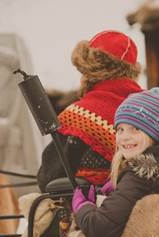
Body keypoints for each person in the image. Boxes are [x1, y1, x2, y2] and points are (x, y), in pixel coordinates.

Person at [72, 88, 159, 237]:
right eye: (120, 129)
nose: (124, 137)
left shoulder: (141, 175)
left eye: (135, 129)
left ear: (156, 131)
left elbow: (99, 228)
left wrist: (82, 206)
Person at [37, 30, 143, 192]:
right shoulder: (150, 109)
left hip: (92, 209)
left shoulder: (79, 116)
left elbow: (48, 178)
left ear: (91, 71)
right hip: (145, 203)